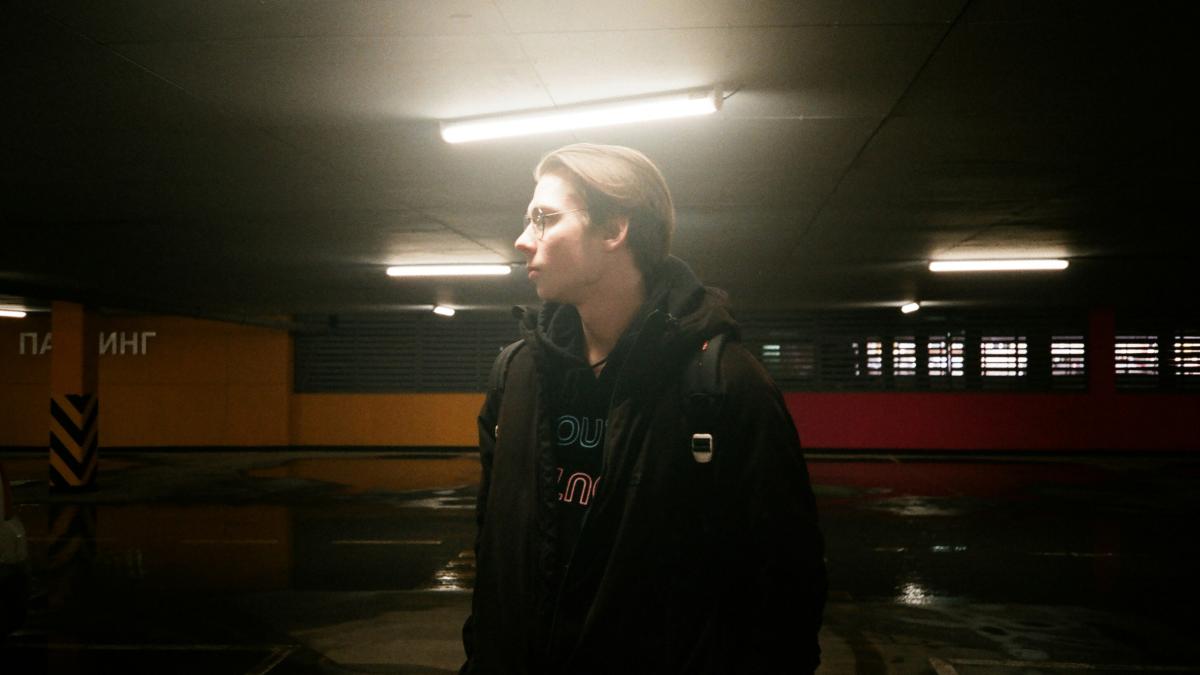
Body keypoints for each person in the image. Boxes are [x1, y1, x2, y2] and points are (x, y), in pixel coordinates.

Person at [460, 143, 826, 674]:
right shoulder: (517, 375)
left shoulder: (724, 383)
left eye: (544, 219)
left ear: (613, 231)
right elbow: (492, 542)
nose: (522, 241)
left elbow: (786, 582)